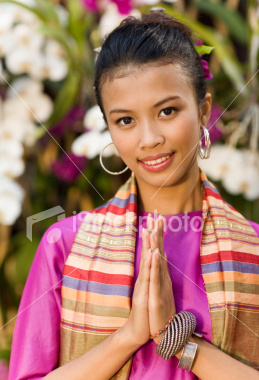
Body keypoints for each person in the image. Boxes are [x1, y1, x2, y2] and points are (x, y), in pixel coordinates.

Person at [8, 8, 259, 380]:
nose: (149, 139)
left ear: (204, 110)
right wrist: (129, 335)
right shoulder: (65, 245)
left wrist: (178, 341)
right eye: (125, 120)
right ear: (108, 127)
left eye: (167, 111)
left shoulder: (252, 250)